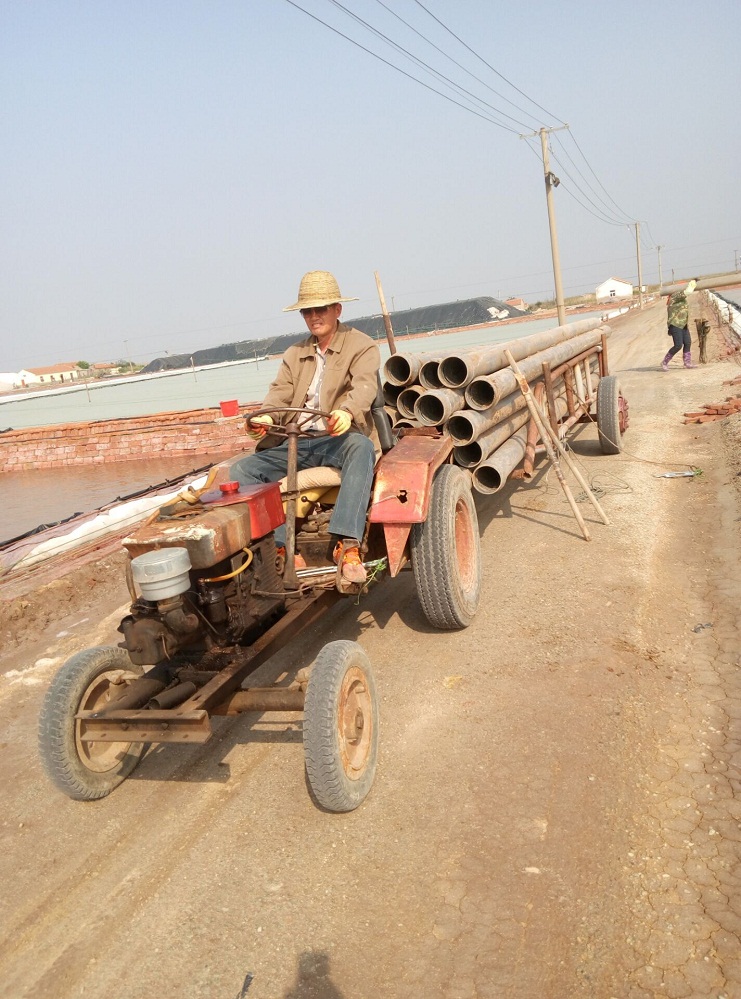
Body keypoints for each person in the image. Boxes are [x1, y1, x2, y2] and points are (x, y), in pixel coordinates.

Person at [230, 271, 380, 584]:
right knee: (241, 471)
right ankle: (281, 548)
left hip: (336, 438)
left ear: (337, 309)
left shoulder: (362, 346)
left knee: (362, 447)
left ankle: (348, 545)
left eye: (320, 309)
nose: (314, 317)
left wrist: (346, 412)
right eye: (307, 311)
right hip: (297, 441)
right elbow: (279, 393)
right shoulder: (294, 354)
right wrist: (267, 418)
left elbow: (364, 387)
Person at [661, 279, 697, 370]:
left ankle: (687, 363)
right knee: (678, 345)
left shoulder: (681, 298)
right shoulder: (675, 296)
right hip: (675, 324)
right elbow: (688, 291)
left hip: (683, 324)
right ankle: (664, 362)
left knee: (687, 342)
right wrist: (693, 283)